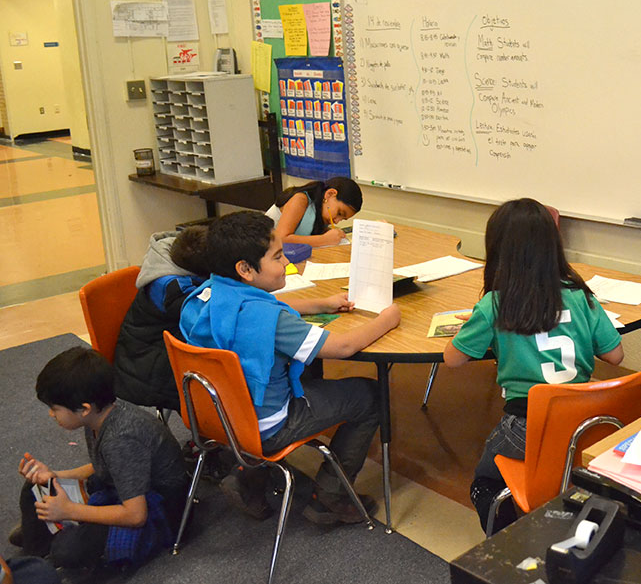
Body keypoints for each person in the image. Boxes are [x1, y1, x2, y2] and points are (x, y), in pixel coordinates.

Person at [178, 210, 401, 524]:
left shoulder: (200, 299)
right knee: (368, 394)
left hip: (218, 417)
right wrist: (386, 319)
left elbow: (252, 308)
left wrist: (319, 304)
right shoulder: (269, 321)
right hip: (267, 425)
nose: (287, 264)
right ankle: (331, 495)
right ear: (245, 269)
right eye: (278, 256)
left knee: (300, 372)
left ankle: (248, 478)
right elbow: (343, 347)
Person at [443, 199, 625, 532]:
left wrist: (480, 327)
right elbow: (615, 356)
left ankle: (510, 546)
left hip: (526, 427)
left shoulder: (494, 305)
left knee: (484, 483)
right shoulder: (581, 295)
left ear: (499, 250)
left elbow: (452, 359)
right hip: (587, 422)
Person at [11, 347, 190, 577]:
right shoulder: (100, 415)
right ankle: (37, 548)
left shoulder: (120, 438)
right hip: (126, 488)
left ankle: (43, 541)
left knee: (67, 551)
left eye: (54, 409)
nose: (51, 415)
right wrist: (56, 474)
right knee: (35, 485)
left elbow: (136, 516)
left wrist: (71, 510)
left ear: (84, 409)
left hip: (160, 509)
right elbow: (104, 466)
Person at [113, 226, 209, 413]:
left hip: (147, 352)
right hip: (148, 371)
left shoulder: (176, 254)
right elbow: (207, 319)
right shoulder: (171, 289)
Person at [267, 177, 362, 247]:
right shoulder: (300, 200)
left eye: (342, 219)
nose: (337, 221)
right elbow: (281, 239)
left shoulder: (321, 211)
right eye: (339, 213)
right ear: (329, 194)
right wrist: (324, 239)